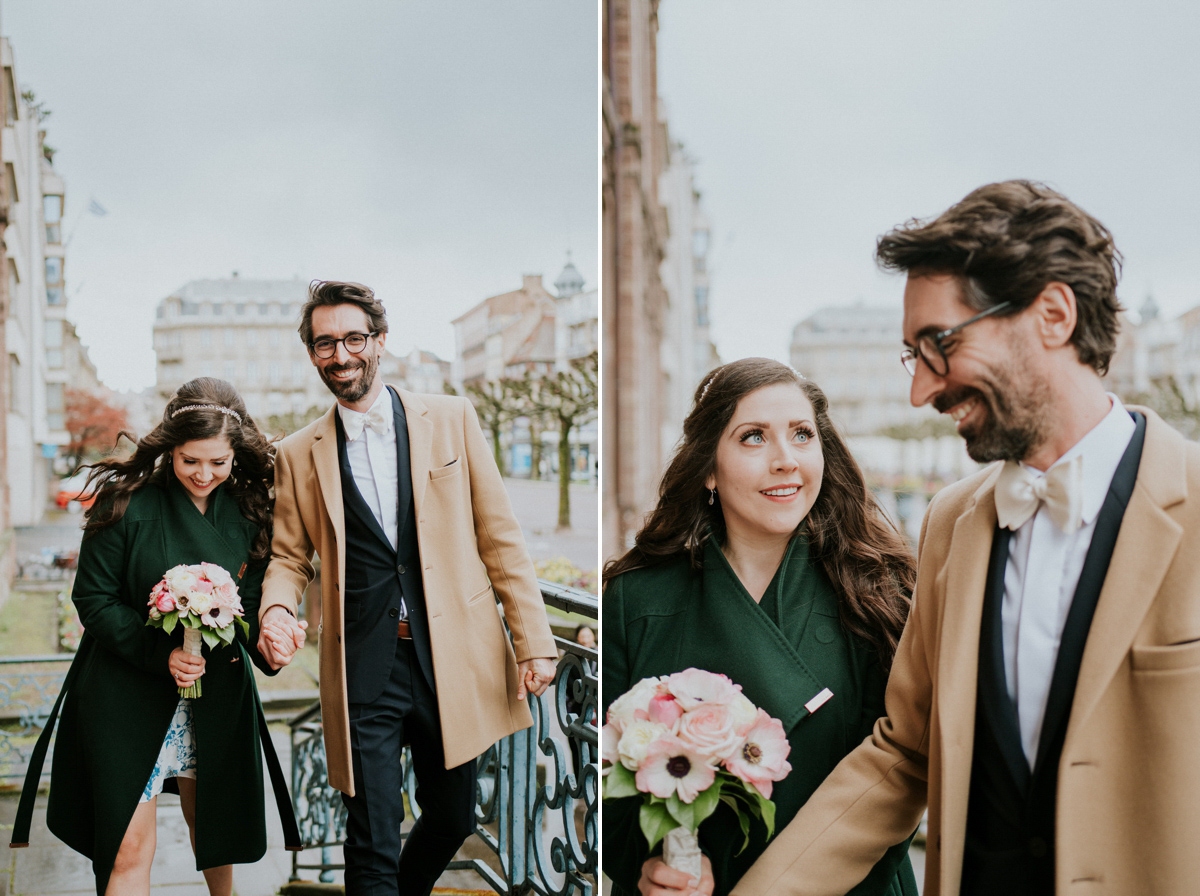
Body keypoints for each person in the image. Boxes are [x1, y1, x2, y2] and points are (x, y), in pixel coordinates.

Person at [730, 181, 1200, 896]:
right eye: (910, 356)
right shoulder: (952, 523)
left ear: (1052, 314)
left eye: (938, 344)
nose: (921, 389)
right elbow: (904, 754)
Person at [256, 280, 559, 896]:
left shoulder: (452, 418)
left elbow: (499, 536)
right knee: (370, 835)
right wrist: (277, 610)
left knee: (451, 816)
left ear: (379, 341)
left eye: (353, 339)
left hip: (452, 655)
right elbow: (289, 557)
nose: (340, 356)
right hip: (361, 660)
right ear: (312, 354)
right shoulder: (295, 453)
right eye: (324, 345)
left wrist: (534, 639)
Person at [604, 357, 919, 896]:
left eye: (802, 435)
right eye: (753, 438)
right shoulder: (637, 597)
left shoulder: (878, 593)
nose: (786, 461)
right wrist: (650, 868)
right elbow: (605, 781)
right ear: (708, 467)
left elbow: (900, 782)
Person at [9, 377, 299, 896]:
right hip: (126, 695)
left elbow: (252, 608)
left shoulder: (253, 510)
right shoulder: (124, 502)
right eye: (190, 461)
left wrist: (272, 639)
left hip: (215, 699)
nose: (204, 475)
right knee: (127, 849)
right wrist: (158, 651)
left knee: (215, 840)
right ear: (170, 447)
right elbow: (92, 598)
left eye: (218, 462)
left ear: (237, 455)